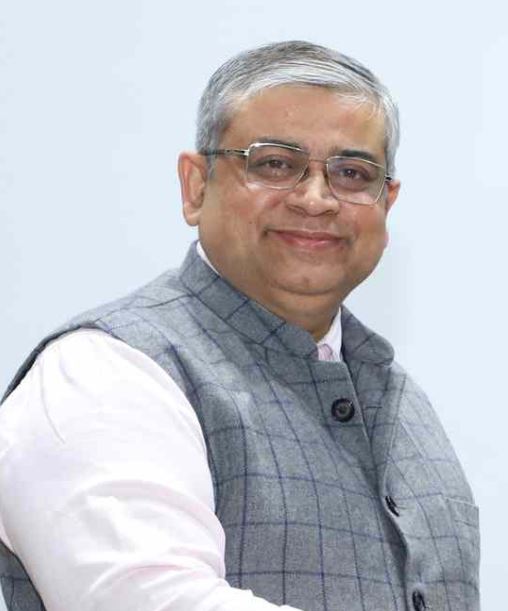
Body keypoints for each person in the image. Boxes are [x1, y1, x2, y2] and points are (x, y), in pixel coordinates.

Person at [0, 41, 479, 611]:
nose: (316, 199)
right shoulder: (103, 374)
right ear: (196, 186)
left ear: (387, 202)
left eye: (352, 173)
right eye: (274, 164)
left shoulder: (402, 402)